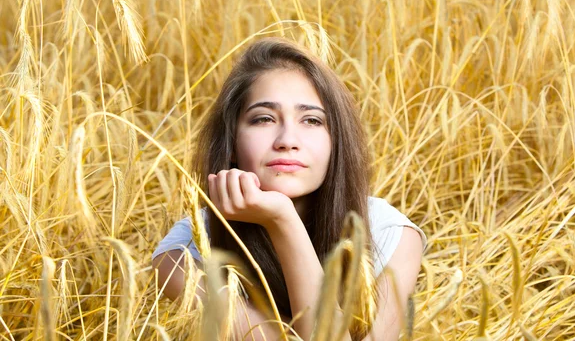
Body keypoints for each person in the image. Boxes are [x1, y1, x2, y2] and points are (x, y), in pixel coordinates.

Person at [152, 37, 427, 340]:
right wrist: (282, 220)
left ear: (336, 142)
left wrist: (281, 220)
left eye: (311, 120)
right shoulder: (185, 251)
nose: (287, 140)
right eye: (264, 119)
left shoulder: (389, 233)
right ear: (231, 144)